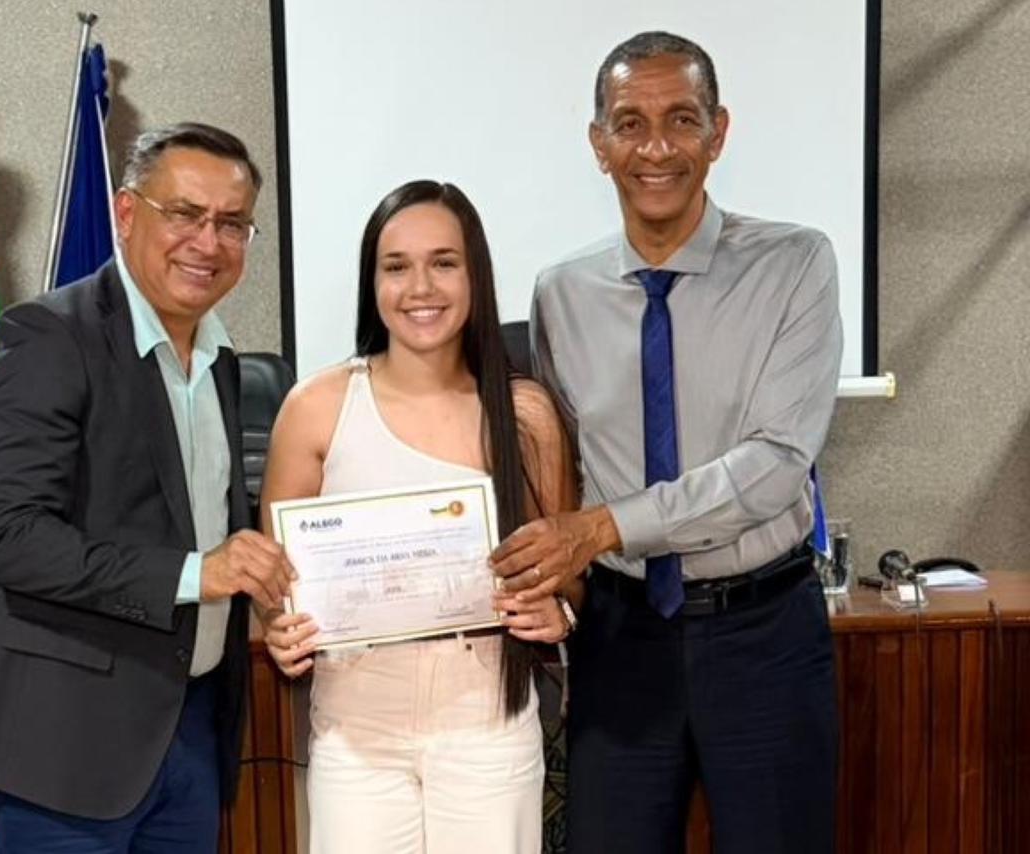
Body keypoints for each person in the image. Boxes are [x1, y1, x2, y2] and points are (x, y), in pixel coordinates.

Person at [489, 31, 843, 854]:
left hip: (763, 634)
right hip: (622, 641)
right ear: (598, 144)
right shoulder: (560, 294)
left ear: (718, 133)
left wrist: (604, 527)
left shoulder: (796, 264)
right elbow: (565, 469)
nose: (656, 148)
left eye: (682, 119)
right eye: (630, 123)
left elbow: (776, 464)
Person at [0, 123, 294, 853]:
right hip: (68, 754)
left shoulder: (220, 358)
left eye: (231, 224)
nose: (208, 242)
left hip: (191, 734)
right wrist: (196, 574)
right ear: (127, 212)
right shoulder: (44, 337)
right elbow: (10, 539)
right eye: (186, 214)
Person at [260, 180, 581, 854]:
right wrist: (280, 627)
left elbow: (569, 576)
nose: (420, 288)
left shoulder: (524, 413)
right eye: (396, 266)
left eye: (444, 263)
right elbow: (276, 581)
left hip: (488, 726)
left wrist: (558, 613)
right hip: (356, 728)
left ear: (475, 275)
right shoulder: (316, 406)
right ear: (372, 282)